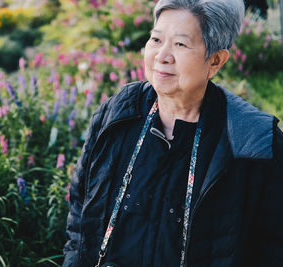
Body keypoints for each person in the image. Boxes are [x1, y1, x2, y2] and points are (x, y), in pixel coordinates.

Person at [62, 0, 283, 266]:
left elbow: (272, 247)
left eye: (180, 44)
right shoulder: (117, 114)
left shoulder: (253, 142)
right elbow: (80, 216)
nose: (162, 55)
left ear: (215, 60)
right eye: (156, 39)